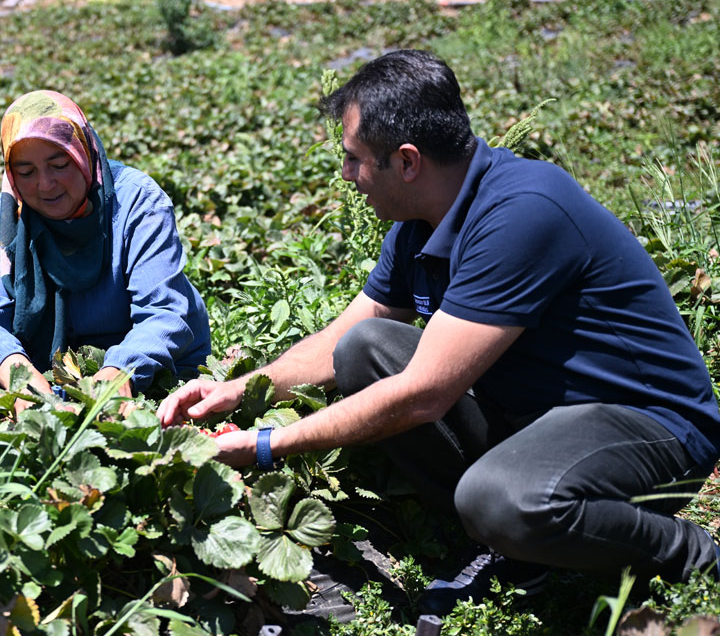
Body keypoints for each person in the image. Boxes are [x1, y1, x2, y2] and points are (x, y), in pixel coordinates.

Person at [157, 49, 720, 613]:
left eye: (354, 160)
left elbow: (424, 394)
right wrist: (239, 389)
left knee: (497, 498)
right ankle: (516, 547)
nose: (348, 177)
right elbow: (349, 333)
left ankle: (687, 553)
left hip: (648, 425)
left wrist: (262, 446)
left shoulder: (521, 211)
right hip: (536, 415)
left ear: (407, 161)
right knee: (364, 350)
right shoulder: (422, 219)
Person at [0, 89, 210, 413]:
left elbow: (164, 313)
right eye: (26, 172)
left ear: (82, 152)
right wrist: (25, 385)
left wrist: (116, 378)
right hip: (46, 377)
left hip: (159, 375)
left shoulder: (138, 204)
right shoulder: (0, 223)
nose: (46, 184)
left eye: (59, 163)